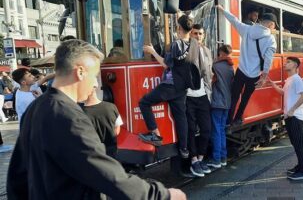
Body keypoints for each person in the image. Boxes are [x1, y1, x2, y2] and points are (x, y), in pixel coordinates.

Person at [7, 39, 185, 200]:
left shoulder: (35, 108)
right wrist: (162, 195)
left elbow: (17, 176)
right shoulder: (70, 117)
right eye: (94, 76)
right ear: (80, 72)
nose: (95, 84)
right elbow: (106, 173)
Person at [138, 15, 200, 159]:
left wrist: (152, 51)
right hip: (183, 87)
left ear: (178, 28)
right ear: (191, 30)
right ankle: (184, 149)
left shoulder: (176, 44)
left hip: (170, 85)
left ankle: (155, 135)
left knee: (144, 102)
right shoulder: (195, 44)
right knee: (181, 117)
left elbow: (166, 64)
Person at [217, 5, 277, 126]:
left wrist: (223, 10)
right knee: (245, 98)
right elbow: (268, 60)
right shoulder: (271, 39)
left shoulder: (247, 29)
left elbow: (234, 20)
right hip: (254, 75)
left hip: (241, 71)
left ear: (261, 21)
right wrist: (264, 76)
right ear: (271, 25)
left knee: (234, 96)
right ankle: (238, 118)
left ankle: (228, 120)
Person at [269, 57, 303, 180]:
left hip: (295, 117)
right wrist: (272, 84)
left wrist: (292, 110)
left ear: (295, 65)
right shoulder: (290, 79)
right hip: (289, 116)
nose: (285, 64)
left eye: (288, 62)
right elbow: (283, 93)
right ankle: (299, 166)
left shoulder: (296, 79)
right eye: (286, 62)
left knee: (299, 144)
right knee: (295, 143)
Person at [186, 24, 213, 177]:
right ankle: (194, 160)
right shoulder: (185, 49)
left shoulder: (207, 51)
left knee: (206, 129)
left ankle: (201, 158)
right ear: (190, 34)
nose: (198, 36)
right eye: (195, 33)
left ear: (204, 35)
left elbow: (208, 73)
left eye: (200, 34)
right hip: (188, 96)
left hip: (203, 95)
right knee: (190, 130)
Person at [207, 44, 234, 169]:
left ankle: (216, 159)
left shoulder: (216, 66)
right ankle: (223, 157)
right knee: (222, 130)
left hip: (217, 102)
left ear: (221, 54)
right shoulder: (231, 67)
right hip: (227, 103)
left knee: (216, 131)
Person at [83, 86, 124, 158]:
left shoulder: (81, 113)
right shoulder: (112, 106)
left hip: (95, 153)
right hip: (112, 152)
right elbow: (117, 130)